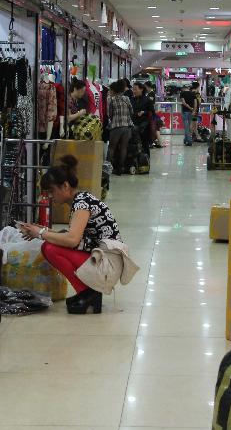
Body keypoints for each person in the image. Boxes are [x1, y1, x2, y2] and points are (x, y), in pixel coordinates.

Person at [18, 155, 121, 314]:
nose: (50, 197)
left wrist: (41, 233)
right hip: (103, 258)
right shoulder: (81, 200)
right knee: (50, 244)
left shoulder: (81, 203)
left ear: (65, 186)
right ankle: (88, 292)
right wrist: (40, 230)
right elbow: (71, 236)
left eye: (52, 191)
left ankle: (87, 293)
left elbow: (72, 240)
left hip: (107, 264)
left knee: (50, 248)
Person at [107, 80, 135, 175]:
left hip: (116, 126)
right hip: (127, 127)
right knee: (124, 148)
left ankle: (108, 168)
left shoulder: (111, 100)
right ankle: (120, 169)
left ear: (114, 90)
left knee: (111, 148)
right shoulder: (126, 98)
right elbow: (131, 112)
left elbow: (109, 114)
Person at [131, 82, 155, 150]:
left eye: (135, 89)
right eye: (133, 89)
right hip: (133, 125)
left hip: (144, 126)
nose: (134, 91)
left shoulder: (147, 100)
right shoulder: (132, 100)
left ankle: (146, 159)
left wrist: (144, 112)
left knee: (145, 145)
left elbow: (152, 112)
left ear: (141, 89)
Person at [179, 82, 199, 146]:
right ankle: (185, 140)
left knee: (186, 127)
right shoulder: (193, 94)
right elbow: (196, 103)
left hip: (185, 111)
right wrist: (194, 110)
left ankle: (189, 141)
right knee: (189, 126)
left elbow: (184, 103)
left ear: (184, 88)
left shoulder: (182, 93)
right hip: (191, 112)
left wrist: (190, 108)